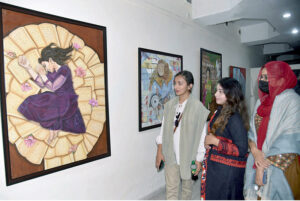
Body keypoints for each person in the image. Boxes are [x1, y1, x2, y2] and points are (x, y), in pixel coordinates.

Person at [244, 61, 300, 200]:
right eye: (261, 77)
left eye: (267, 78)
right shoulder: (260, 102)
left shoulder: (292, 101)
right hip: (256, 161)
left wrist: (263, 167)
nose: (262, 81)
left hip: (282, 166)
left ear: (281, 79)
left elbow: (289, 141)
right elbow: (252, 133)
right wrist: (256, 153)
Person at [155, 70, 209, 200]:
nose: (176, 87)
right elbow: (163, 131)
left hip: (189, 156)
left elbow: (202, 136)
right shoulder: (169, 106)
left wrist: (199, 159)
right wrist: (159, 152)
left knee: (186, 191)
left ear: (190, 86)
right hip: (170, 154)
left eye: (180, 83)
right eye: (175, 84)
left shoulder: (198, 108)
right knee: (171, 190)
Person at [18, 43, 86, 144]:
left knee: (50, 103)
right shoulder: (52, 73)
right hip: (58, 99)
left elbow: (54, 87)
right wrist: (28, 68)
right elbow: (42, 84)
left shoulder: (64, 69)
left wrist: (43, 75)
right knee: (38, 102)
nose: (45, 69)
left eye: (45, 65)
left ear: (50, 60)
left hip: (67, 100)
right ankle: (53, 133)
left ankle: (53, 134)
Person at [201, 77, 249, 200]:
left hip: (227, 174)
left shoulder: (235, 118)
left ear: (231, 94)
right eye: (216, 90)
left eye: (220, 91)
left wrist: (215, 142)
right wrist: (210, 143)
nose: (216, 94)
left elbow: (242, 149)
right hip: (217, 170)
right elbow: (221, 136)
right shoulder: (220, 111)